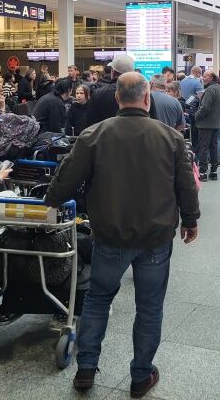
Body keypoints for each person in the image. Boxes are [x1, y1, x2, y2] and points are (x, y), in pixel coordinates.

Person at [43, 73, 200, 398]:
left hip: (109, 236)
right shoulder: (171, 138)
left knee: (98, 301)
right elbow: (185, 185)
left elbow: (65, 182)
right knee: (150, 307)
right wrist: (190, 220)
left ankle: (86, 368)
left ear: (117, 99)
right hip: (155, 237)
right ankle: (141, 376)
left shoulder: (93, 135)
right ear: (147, 99)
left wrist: (51, 200)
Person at [86, 54, 135, 126]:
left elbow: (90, 124)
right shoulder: (142, 93)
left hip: (105, 136)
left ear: (113, 72)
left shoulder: (98, 94)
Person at [195, 70, 220, 181]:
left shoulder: (209, 90)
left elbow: (205, 107)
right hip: (216, 123)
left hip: (205, 124)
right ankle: (213, 171)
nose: (203, 78)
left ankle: (202, 172)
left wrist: (196, 116)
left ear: (212, 77)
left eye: (205, 76)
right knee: (213, 147)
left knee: (203, 148)